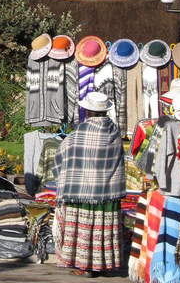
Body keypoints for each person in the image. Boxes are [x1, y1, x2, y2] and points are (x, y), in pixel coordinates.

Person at [52, 91, 126, 278]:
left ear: (88, 112)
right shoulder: (114, 131)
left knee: (86, 226)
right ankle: (102, 264)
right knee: (101, 228)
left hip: (82, 190)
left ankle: (85, 266)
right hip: (107, 191)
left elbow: (62, 154)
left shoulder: (81, 131)